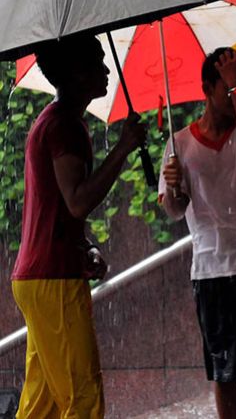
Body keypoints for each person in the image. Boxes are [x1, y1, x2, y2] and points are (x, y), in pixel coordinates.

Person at [11, 34, 146, 418]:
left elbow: (57, 208)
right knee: (83, 400)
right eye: (96, 63)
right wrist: (122, 148)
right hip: (53, 278)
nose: (106, 70)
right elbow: (77, 201)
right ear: (74, 74)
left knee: (44, 404)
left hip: (38, 277)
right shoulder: (63, 125)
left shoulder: (54, 122)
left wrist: (83, 246)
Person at [159, 47, 236, 419]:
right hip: (212, 273)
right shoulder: (179, 144)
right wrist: (175, 189)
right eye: (227, 87)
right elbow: (173, 210)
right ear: (206, 88)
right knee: (223, 371)